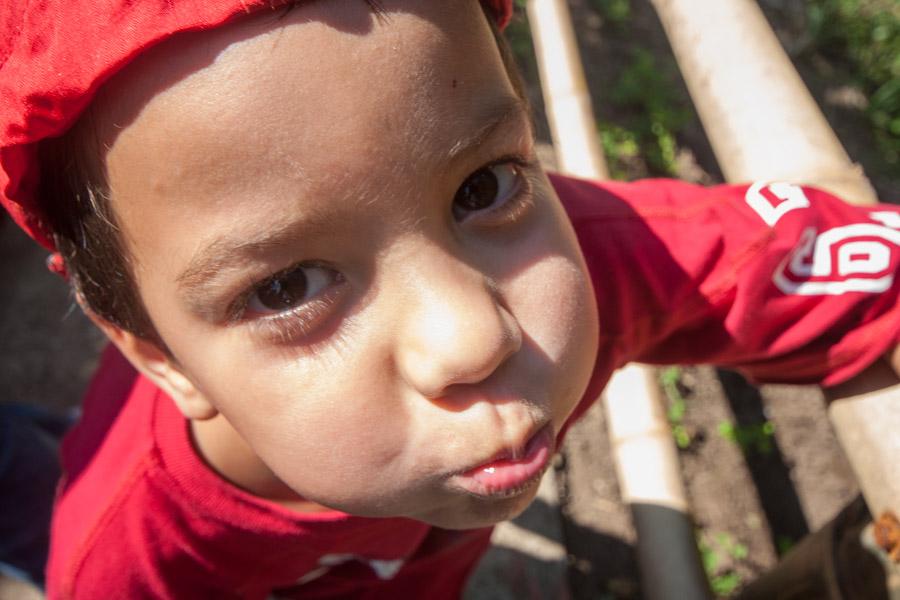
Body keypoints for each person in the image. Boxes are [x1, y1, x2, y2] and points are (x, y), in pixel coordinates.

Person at [1, 0, 899, 597]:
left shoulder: (598, 262)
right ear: (159, 354)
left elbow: (797, 262)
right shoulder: (135, 560)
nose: (474, 336)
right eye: (286, 286)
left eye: (482, 188)